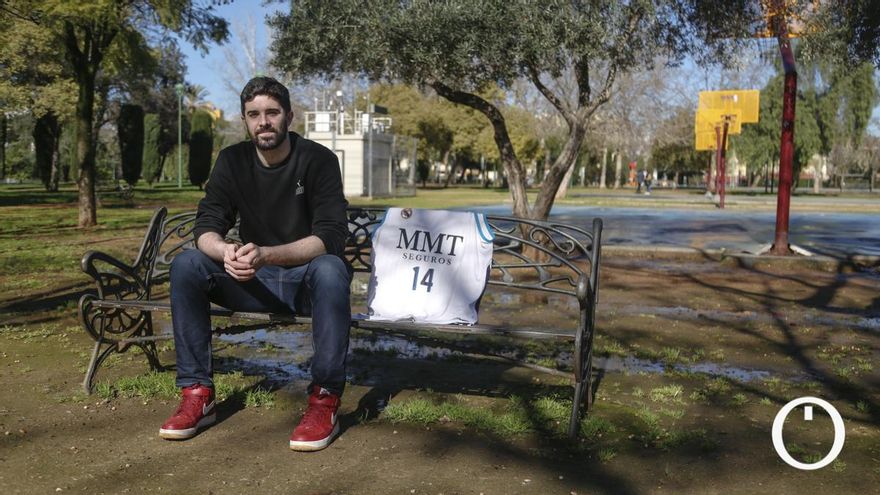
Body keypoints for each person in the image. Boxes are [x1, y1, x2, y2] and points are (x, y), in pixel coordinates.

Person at [159, 77, 352, 452]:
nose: (263, 122)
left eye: (272, 113)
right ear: (245, 120)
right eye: (254, 115)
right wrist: (225, 251)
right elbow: (206, 226)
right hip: (249, 283)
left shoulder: (318, 160)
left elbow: (330, 237)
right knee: (188, 265)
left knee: (331, 268)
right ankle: (198, 394)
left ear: (289, 116)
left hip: (303, 286)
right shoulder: (232, 161)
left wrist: (266, 253)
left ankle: (325, 400)